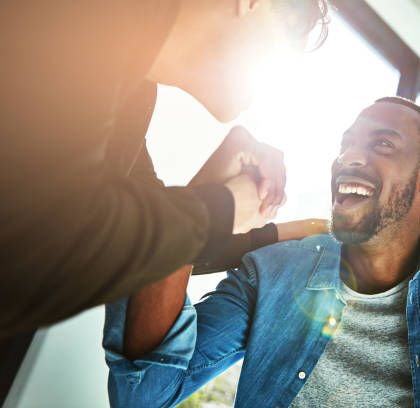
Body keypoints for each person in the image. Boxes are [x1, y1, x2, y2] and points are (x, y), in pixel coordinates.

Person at [104, 96, 420, 408]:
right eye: (348, 144)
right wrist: (203, 201)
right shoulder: (272, 272)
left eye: (383, 145)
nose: (350, 157)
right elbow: (144, 397)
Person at [0, 0, 329, 336]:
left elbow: (137, 242)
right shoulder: (92, 19)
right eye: (283, 55)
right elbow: (32, 263)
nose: (275, 84)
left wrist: (233, 210)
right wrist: (220, 209)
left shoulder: (133, 95)